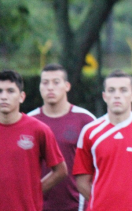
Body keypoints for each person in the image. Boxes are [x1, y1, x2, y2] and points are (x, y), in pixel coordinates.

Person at [0, 70, 67, 211]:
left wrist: (35, 190)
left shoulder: (39, 129)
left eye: (10, 91)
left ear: (21, 97)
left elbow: (60, 170)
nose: (4, 96)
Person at [73, 70, 132, 211]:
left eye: (123, 90)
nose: (117, 95)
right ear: (104, 96)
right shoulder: (90, 131)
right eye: (111, 90)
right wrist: (103, 202)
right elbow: (82, 181)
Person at [28, 63, 96, 211]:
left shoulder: (86, 120)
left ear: (67, 86)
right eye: (45, 82)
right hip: (37, 206)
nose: (50, 87)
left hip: (77, 205)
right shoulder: (29, 122)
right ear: (39, 87)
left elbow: (98, 164)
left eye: (56, 82)